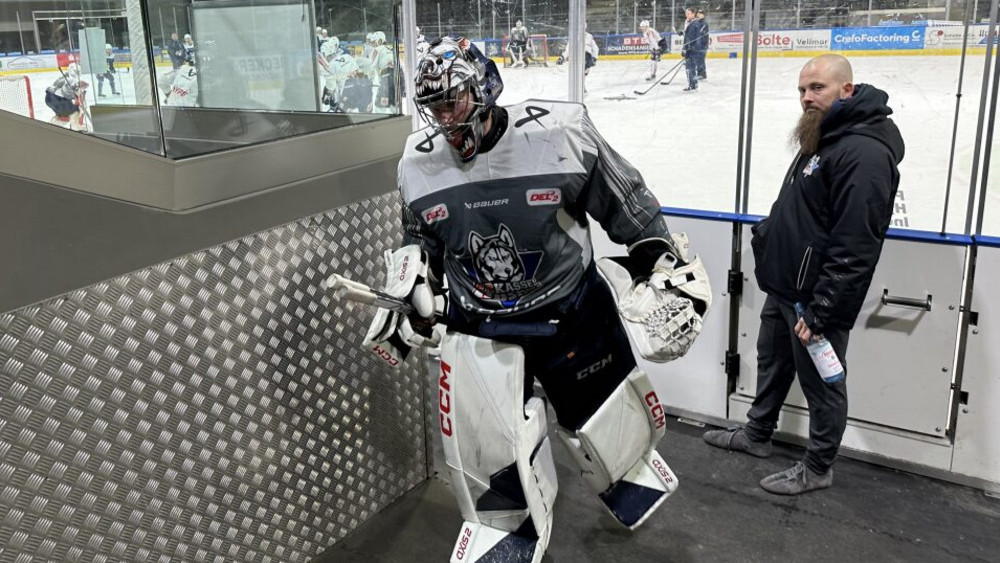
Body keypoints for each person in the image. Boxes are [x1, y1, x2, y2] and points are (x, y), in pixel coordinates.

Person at [361, 37, 711, 562]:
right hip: (482, 323)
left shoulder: (560, 132)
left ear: (485, 89)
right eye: (433, 106)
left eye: (453, 101)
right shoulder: (416, 163)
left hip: (571, 307)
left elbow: (628, 202)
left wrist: (657, 257)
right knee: (492, 451)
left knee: (604, 425)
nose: (444, 118)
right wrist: (414, 296)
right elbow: (420, 243)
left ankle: (627, 469)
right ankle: (506, 523)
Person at [703, 54, 904, 495]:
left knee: (823, 384)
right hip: (786, 287)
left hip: (816, 300)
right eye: (802, 89)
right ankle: (757, 435)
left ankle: (817, 467)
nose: (807, 98)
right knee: (772, 362)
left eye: (818, 88)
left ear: (846, 90)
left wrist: (822, 311)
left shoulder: (863, 151)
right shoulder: (825, 134)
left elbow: (856, 246)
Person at [45, 63, 89, 130]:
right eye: (77, 72)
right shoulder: (70, 79)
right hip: (56, 100)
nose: (78, 73)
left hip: (51, 99)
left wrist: (77, 87)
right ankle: (76, 129)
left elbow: (67, 91)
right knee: (75, 111)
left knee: (65, 115)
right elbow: (67, 94)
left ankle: (52, 126)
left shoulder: (66, 77)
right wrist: (76, 94)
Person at [681, 7, 707, 91]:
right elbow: (688, 36)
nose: (686, 15)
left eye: (688, 14)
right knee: (689, 67)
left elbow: (695, 38)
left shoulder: (695, 23)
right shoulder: (689, 22)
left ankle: (693, 85)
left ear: (693, 14)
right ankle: (693, 84)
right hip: (690, 48)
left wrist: (687, 48)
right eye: (686, 14)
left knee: (690, 67)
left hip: (692, 49)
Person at [696, 9, 710, 80]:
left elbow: (700, 32)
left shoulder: (704, 23)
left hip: (702, 44)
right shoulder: (698, 22)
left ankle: (702, 74)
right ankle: (701, 74)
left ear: (703, 15)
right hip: (699, 44)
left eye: (700, 13)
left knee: (700, 59)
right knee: (699, 60)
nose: (698, 14)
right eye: (698, 13)